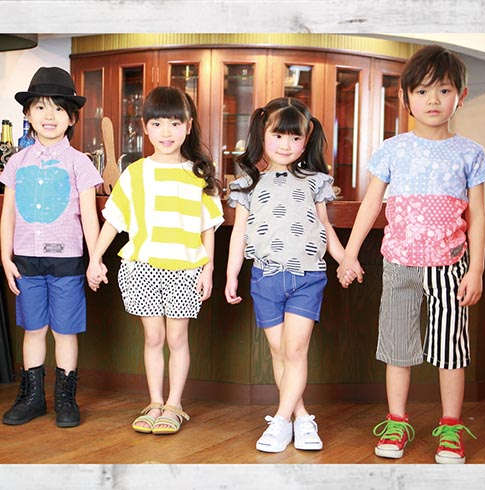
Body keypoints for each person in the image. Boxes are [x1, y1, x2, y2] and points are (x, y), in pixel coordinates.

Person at [338, 45, 485, 464]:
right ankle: (397, 421)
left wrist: (476, 269)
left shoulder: (471, 152)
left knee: (450, 349)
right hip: (399, 263)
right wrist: (349, 254)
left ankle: (451, 428)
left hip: (450, 266)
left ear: (461, 95)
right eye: (422, 91)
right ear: (405, 98)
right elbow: (371, 204)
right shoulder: (393, 149)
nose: (433, 100)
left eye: (444, 90)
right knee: (397, 346)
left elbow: (477, 215)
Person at [225, 97, 361, 453]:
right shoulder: (246, 184)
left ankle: (280, 420)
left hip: (307, 276)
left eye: (295, 137)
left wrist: (345, 259)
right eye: (278, 135)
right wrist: (231, 275)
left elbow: (325, 228)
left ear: (306, 139)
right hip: (265, 277)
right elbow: (239, 234)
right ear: (262, 134)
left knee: (296, 349)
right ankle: (300, 418)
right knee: (279, 350)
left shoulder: (315, 181)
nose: (286, 144)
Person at [87, 86, 223, 435]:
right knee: (152, 338)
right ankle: (154, 402)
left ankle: (174, 405)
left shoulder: (198, 175)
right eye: (158, 123)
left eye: (175, 124)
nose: (166, 132)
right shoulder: (135, 173)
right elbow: (113, 221)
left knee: (177, 338)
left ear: (188, 126)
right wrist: (95, 258)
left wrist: (208, 269)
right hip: (142, 267)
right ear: (145, 128)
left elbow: (208, 228)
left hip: (185, 270)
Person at [0, 67, 103, 428]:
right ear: (27, 114)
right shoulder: (16, 163)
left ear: (71, 118)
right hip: (26, 261)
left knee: (64, 330)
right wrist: (5, 257)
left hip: (67, 262)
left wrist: (95, 259)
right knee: (33, 329)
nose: (49, 115)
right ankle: (31, 398)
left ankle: (65, 398)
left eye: (59, 108)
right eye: (41, 107)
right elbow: (8, 214)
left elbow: (90, 217)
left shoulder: (80, 163)